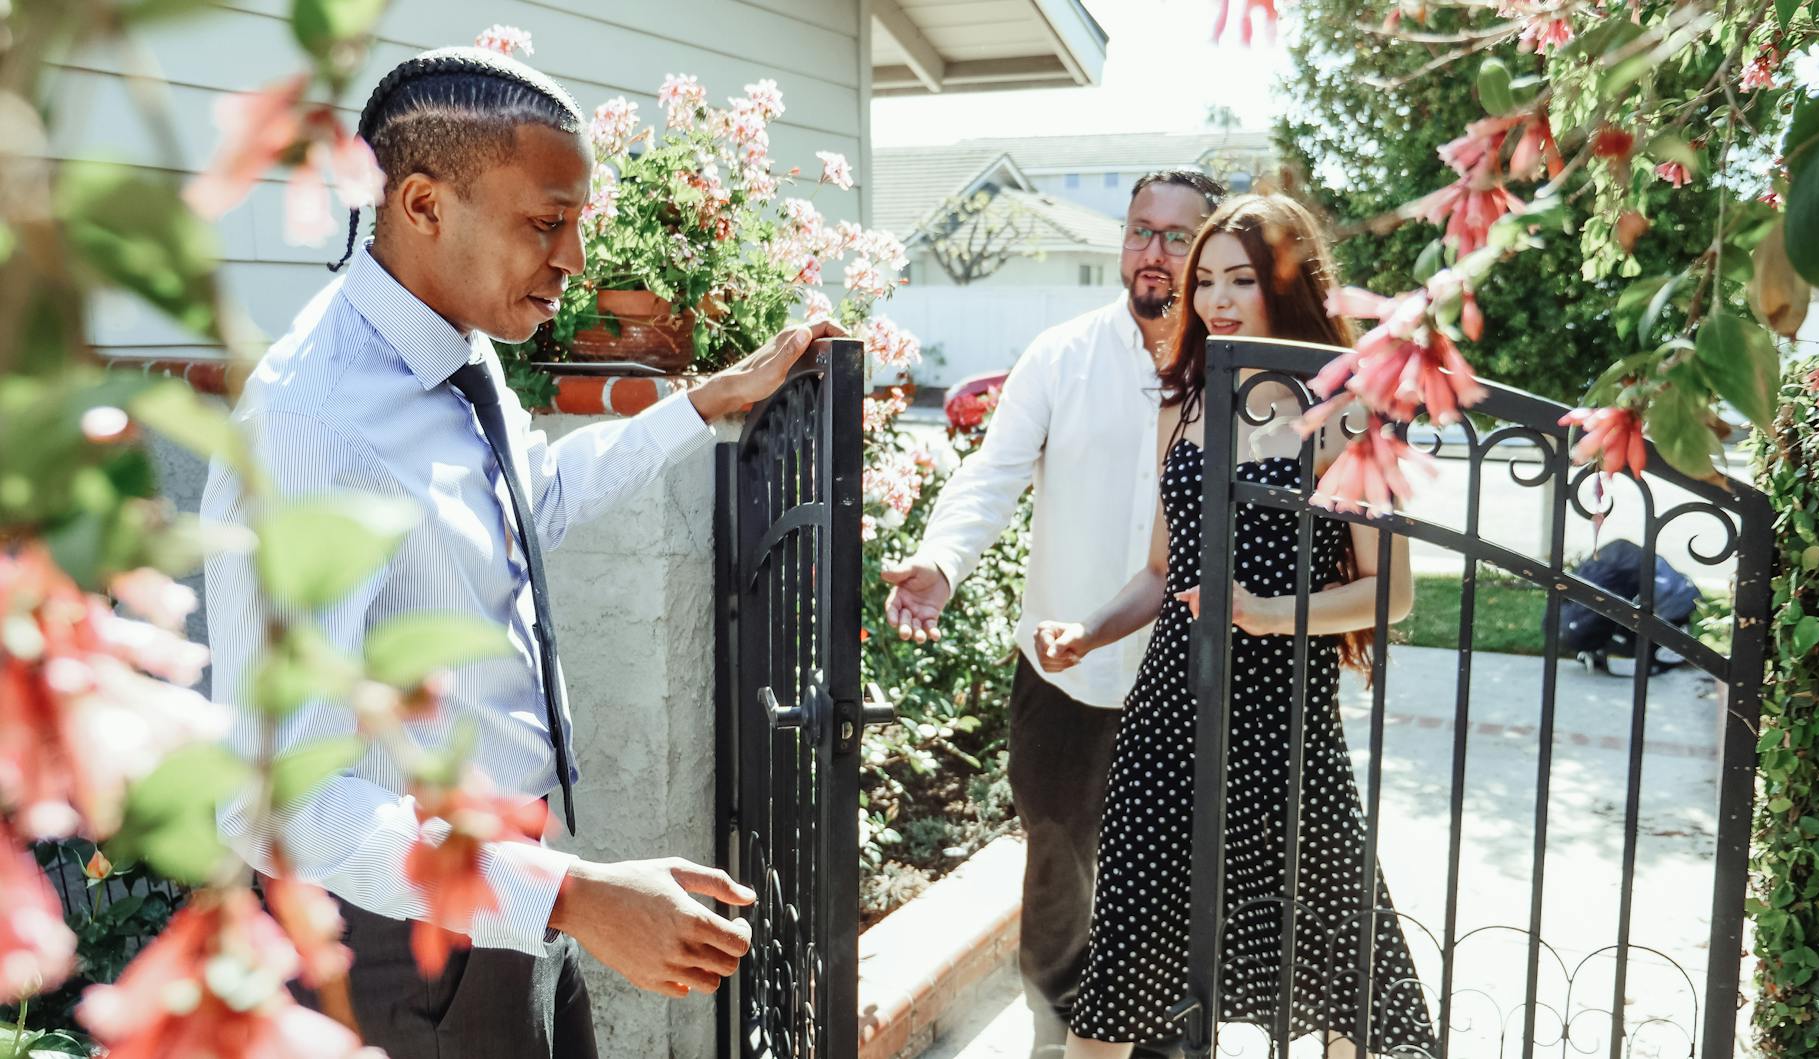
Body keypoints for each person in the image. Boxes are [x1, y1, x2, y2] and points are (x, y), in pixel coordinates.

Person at [203, 47, 836, 1058]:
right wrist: (576, 899)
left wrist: (701, 403)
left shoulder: (458, 349)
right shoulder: (305, 424)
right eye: (547, 221)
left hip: (506, 900)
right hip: (394, 945)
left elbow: (527, 499)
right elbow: (282, 802)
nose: (576, 259)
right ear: (421, 204)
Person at [1030, 194, 1435, 1058]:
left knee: (1342, 973)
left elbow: (1391, 591)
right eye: (1203, 279)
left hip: (1283, 726)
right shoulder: (1182, 403)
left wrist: (1267, 614)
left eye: (1239, 280)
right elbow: (1158, 571)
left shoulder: (1345, 411)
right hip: (1169, 719)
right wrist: (1091, 631)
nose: (1214, 299)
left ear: (1284, 287)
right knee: (1125, 964)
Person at [883, 169, 1226, 1058]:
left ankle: (1169, 1044)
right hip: (1064, 670)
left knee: (1182, 882)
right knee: (1059, 870)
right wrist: (943, 563)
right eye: (1139, 230)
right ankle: (1054, 1036)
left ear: (1211, 249)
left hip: (1188, 678)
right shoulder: (1061, 353)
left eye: (1177, 237)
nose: (1153, 253)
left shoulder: (1235, 372)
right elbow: (990, 475)